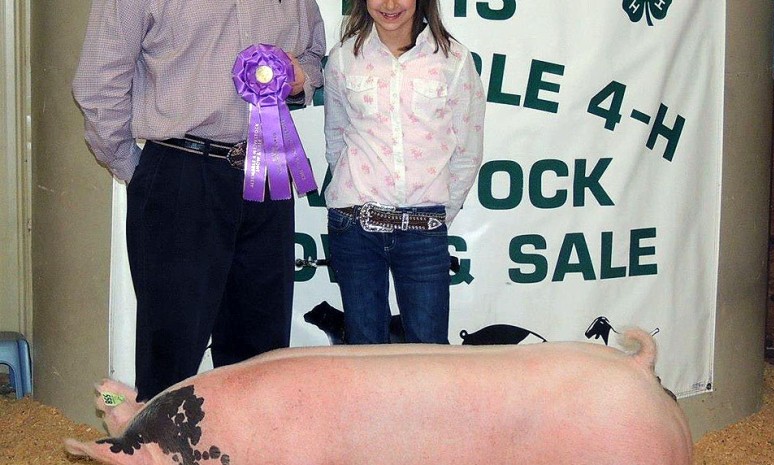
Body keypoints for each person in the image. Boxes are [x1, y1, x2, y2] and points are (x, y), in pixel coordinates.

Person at [72, 0, 326, 402]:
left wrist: (299, 78)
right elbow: (98, 81)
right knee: (170, 357)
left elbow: (313, 55)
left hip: (267, 171)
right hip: (181, 173)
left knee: (261, 358)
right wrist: (135, 168)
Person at [323, 0, 486, 344]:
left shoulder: (454, 61)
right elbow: (336, 138)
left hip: (424, 229)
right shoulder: (342, 59)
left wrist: (439, 214)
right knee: (364, 351)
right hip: (355, 227)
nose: (390, 4)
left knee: (429, 355)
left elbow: (467, 149)